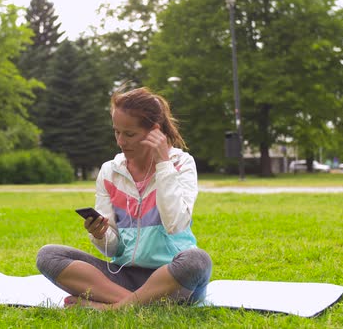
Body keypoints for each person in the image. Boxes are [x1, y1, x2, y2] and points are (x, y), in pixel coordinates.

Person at [36, 87, 212, 310]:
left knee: (197, 260)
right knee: (49, 256)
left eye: (129, 134)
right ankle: (139, 303)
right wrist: (100, 235)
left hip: (173, 278)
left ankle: (112, 308)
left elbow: (175, 224)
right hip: (124, 277)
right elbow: (114, 250)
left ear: (154, 132)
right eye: (116, 132)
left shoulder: (181, 165)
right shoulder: (109, 172)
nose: (120, 141)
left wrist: (163, 164)